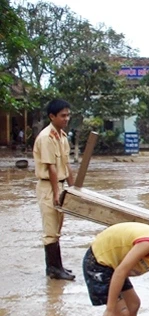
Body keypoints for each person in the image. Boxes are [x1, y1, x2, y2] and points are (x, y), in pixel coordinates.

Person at [33, 99, 76, 281]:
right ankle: (53, 269)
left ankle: (57, 267)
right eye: (62, 116)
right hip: (48, 186)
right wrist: (56, 194)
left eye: (68, 115)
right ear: (52, 117)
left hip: (59, 185)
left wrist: (74, 190)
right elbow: (51, 168)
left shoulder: (62, 137)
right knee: (51, 228)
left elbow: (66, 166)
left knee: (58, 226)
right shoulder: (46, 138)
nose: (66, 119)